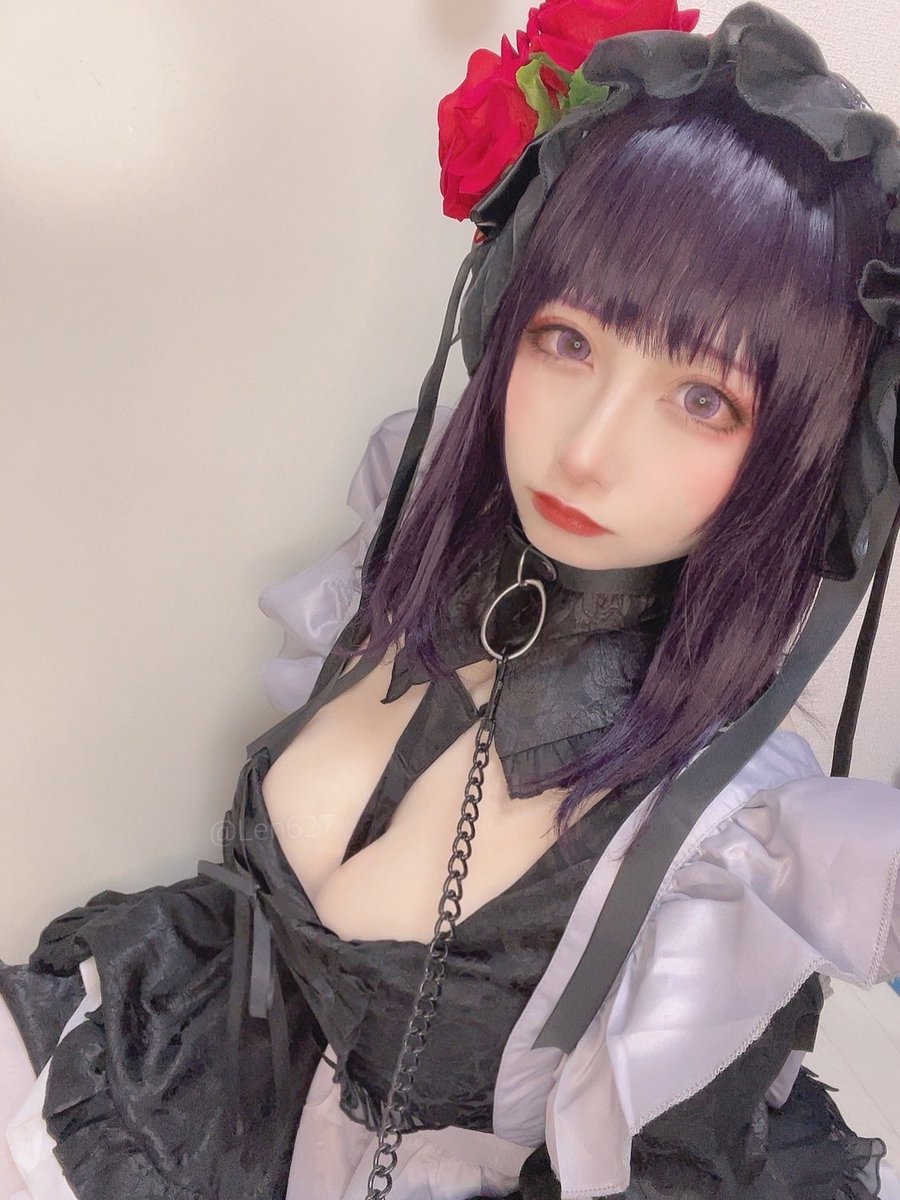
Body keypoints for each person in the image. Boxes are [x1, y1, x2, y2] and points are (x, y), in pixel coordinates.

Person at [2, 2, 900, 1198]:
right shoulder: (405, 557)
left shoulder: (729, 842)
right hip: (190, 1090)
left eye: (704, 401)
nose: (585, 451)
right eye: (567, 341)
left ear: (806, 448)